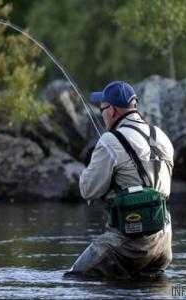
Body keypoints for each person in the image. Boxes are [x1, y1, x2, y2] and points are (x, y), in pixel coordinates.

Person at [68, 81, 174, 279]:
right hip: (164, 241)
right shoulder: (162, 136)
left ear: (113, 111)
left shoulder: (109, 141)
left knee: (75, 278)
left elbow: (88, 190)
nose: (101, 113)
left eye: (102, 108)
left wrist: (87, 170)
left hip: (129, 244)